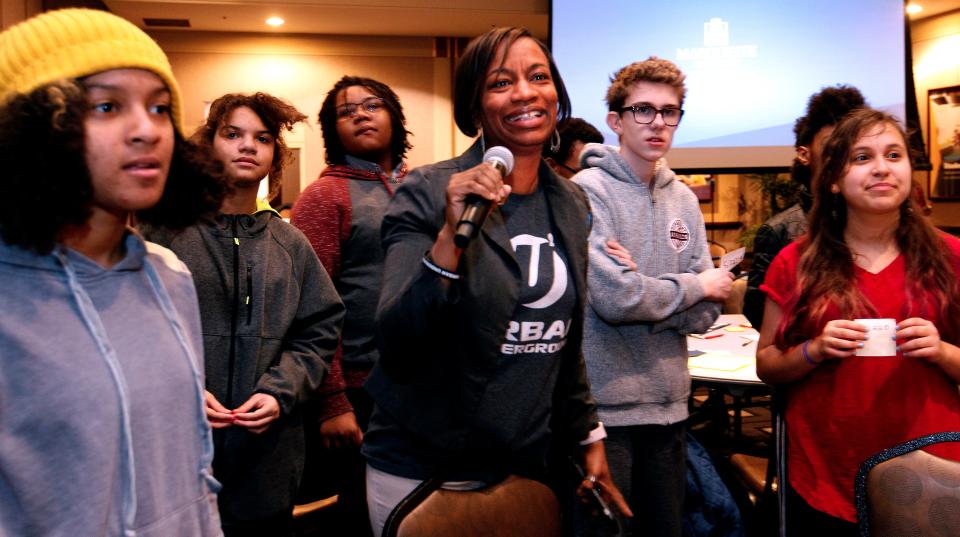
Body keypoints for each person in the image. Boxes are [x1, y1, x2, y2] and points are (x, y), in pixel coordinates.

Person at [360, 26, 631, 536]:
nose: (525, 93)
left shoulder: (571, 203)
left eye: (538, 77)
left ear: (557, 95)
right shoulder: (429, 189)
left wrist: (590, 437)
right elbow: (397, 339)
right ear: (476, 107)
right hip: (423, 468)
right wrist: (449, 237)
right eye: (501, 83)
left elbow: (562, 344)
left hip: (524, 463)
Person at [0, 8, 224, 536]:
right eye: (106, 106)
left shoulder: (170, 276)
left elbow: (191, 470)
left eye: (161, 108)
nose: (147, 130)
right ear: (34, 128)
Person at [143, 92, 345, 536]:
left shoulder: (291, 245)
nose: (247, 145)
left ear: (275, 155)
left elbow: (318, 330)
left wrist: (281, 390)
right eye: (232, 134)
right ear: (208, 145)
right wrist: (184, 390)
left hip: (268, 458)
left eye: (263, 138)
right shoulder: (162, 235)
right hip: (175, 455)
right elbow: (134, 331)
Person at [756, 108, 960, 535]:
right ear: (833, 179)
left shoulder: (951, 257)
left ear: (910, 169)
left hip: (931, 466)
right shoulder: (794, 262)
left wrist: (941, 351)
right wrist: (813, 350)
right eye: (862, 158)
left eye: (893, 155)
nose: (881, 169)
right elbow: (768, 364)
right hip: (825, 466)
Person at [571, 57, 733, 537]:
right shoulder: (587, 191)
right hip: (607, 410)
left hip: (672, 403)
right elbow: (616, 299)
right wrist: (689, 287)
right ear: (616, 121)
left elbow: (708, 311)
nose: (658, 122)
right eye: (643, 110)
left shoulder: (684, 197)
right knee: (610, 532)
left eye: (670, 111)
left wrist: (654, 293)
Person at [291, 75, 411, 535]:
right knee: (361, 516)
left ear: (394, 119)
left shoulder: (421, 186)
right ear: (331, 130)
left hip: (421, 384)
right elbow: (310, 309)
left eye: (372, 105)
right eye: (347, 111)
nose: (361, 114)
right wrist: (332, 401)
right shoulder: (324, 196)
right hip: (359, 391)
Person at [744, 85, 866, 328]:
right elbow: (758, 315)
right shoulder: (779, 231)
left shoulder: (872, 220)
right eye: (831, 146)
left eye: (851, 146)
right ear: (804, 154)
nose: (841, 155)